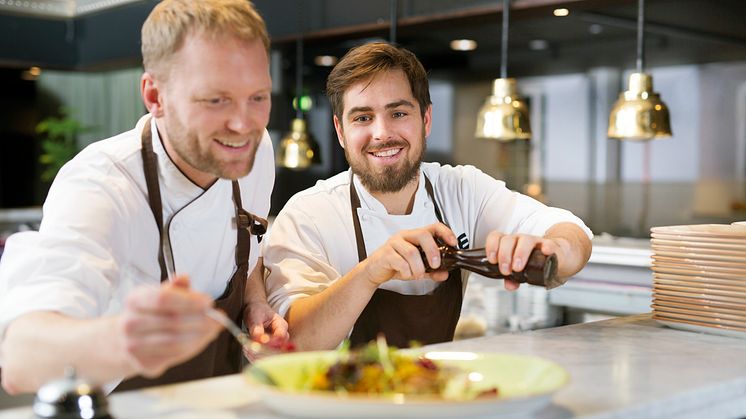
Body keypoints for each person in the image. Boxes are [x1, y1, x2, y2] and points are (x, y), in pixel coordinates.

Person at [0, 0, 287, 394]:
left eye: (258, 97)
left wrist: (256, 302)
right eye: (215, 100)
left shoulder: (255, 153)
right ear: (155, 96)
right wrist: (127, 341)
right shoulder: (100, 185)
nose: (242, 124)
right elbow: (21, 359)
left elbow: (246, 250)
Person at [263, 42, 593, 351]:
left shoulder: (462, 190)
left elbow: (570, 234)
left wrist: (550, 250)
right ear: (340, 131)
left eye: (398, 113)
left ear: (426, 119)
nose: (382, 133)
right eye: (363, 118)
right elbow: (293, 343)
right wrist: (371, 271)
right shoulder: (308, 215)